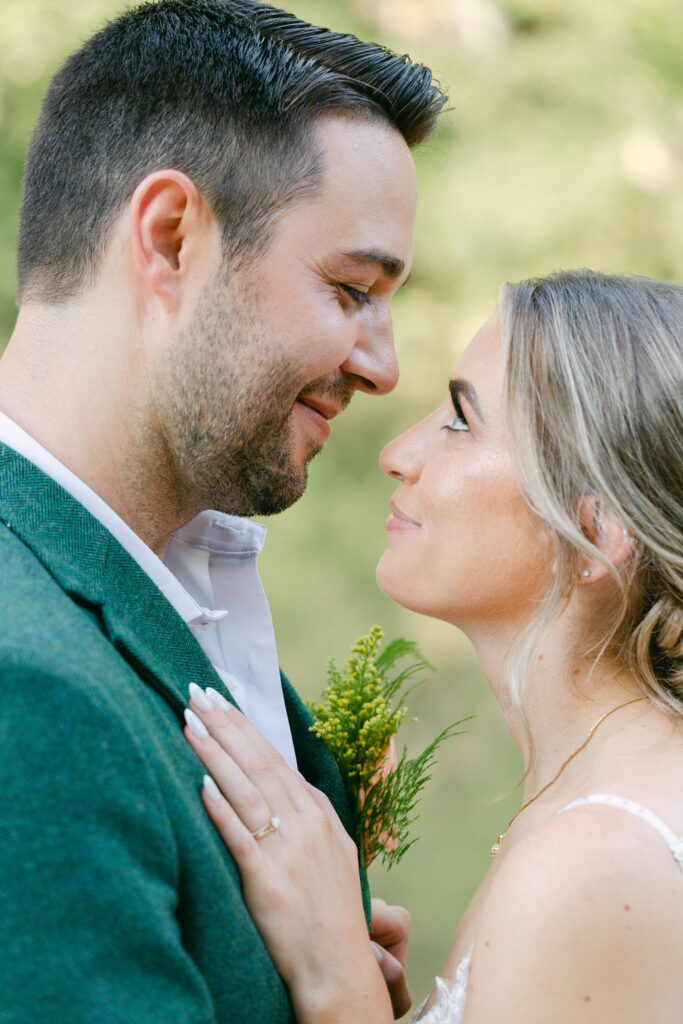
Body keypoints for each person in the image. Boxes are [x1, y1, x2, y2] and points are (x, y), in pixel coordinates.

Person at [0, 1, 447, 1020]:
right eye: (349, 289)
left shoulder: (165, 591)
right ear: (169, 237)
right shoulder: (26, 691)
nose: (381, 366)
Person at [182, 269, 683, 1023]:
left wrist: (340, 989)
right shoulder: (586, 809)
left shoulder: (591, 864)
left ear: (596, 535)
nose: (397, 452)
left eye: (459, 421)